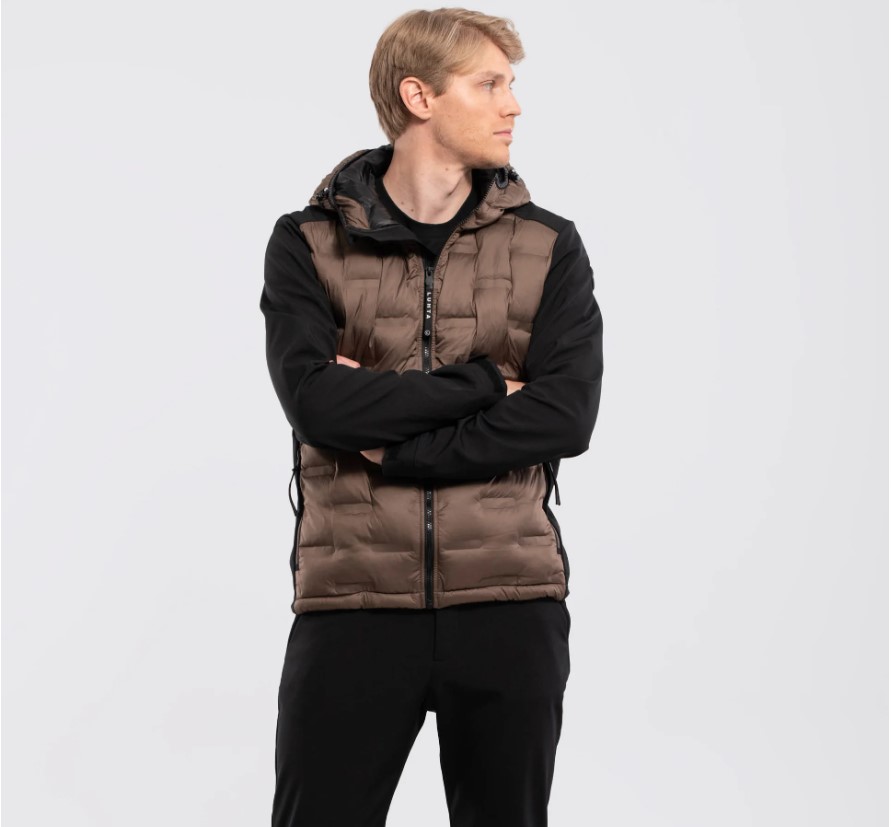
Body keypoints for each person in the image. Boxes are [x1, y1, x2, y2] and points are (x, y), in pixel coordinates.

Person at [259, 7, 604, 826]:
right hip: (351, 603)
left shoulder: (548, 245)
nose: (512, 104)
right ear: (419, 96)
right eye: (489, 85)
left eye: (509, 85)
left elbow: (564, 417)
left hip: (509, 600)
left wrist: (392, 447)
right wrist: (485, 381)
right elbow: (315, 402)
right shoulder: (307, 243)